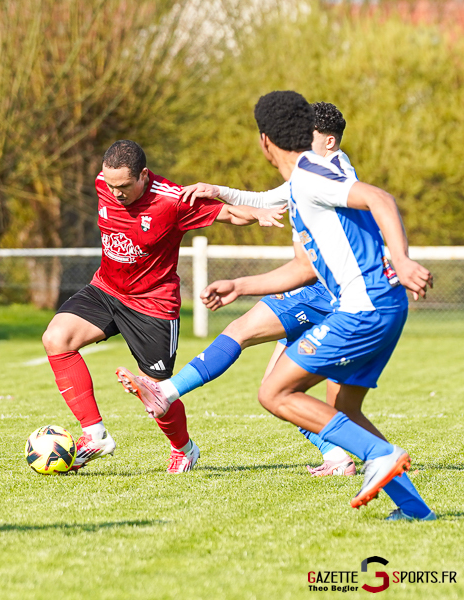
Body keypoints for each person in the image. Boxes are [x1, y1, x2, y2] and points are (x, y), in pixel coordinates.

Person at [136, 91, 435, 520]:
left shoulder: (311, 176)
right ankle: (414, 509)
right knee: (344, 410)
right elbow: (302, 266)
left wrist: (402, 258)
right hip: (383, 304)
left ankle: (380, 455)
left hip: (363, 307)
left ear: (265, 141)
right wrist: (241, 285)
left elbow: (380, 198)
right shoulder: (302, 181)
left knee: (275, 391)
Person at [137, 102, 359, 477]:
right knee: (276, 391)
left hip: (325, 291)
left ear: (330, 142)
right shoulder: (317, 171)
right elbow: (269, 198)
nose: (300, 145)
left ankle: (167, 392)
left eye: (311, 138)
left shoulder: (329, 173)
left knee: (240, 332)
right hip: (327, 290)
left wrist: (241, 284)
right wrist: (216, 190)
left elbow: (279, 212)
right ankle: (339, 457)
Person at [42, 139, 285, 473]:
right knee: (56, 338)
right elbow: (110, 187)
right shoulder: (104, 183)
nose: (116, 193)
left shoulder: (173, 200)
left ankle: (183, 449)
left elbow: (226, 213)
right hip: (107, 289)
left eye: (124, 186)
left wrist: (258, 214)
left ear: (143, 175)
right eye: (111, 185)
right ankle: (94, 435)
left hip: (152, 305)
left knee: (154, 395)